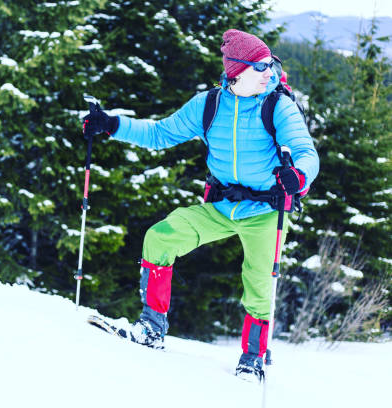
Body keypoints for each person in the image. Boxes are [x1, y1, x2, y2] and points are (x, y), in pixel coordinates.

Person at [82, 29, 319, 381]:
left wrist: (298, 177)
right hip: (222, 206)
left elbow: (305, 152)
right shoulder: (209, 104)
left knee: (258, 280)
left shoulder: (277, 104)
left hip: (266, 211)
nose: (270, 72)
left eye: (271, 64)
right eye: (261, 66)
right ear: (237, 72)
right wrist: (111, 125)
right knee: (160, 237)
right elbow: (161, 133)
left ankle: (253, 357)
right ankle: (151, 328)